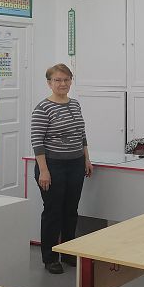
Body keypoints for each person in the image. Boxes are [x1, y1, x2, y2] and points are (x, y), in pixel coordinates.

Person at [30, 63, 93, 274]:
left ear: (71, 81)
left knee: (71, 211)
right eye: (57, 80)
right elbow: (37, 142)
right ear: (49, 83)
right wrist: (44, 170)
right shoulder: (43, 108)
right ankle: (50, 258)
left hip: (75, 164)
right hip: (52, 166)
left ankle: (67, 252)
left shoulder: (75, 104)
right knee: (53, 212)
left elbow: (81, 135)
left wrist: (86, 159)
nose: (62, 83)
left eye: (66, 79)